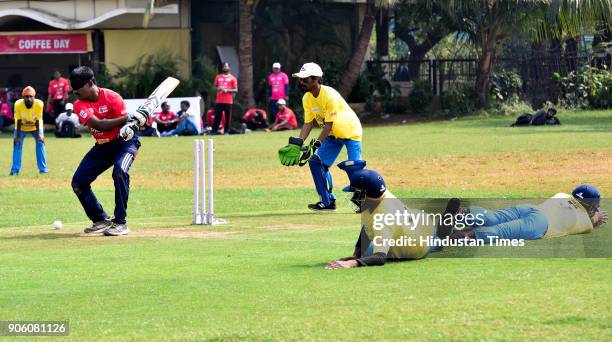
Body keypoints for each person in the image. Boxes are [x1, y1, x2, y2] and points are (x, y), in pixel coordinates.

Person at [70, 66, 151, 236]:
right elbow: (98, 125)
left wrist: (138, 122)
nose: (75, 91)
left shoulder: (112, 97)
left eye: (78, 87)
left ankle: (121, 223)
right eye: (73, 87)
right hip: (102, 146)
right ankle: (100, 219)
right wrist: (129, 117)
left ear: (90, 82)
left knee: (120, 171)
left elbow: (131, 126)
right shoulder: (79, 104)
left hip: (125, 143)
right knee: (79, 181)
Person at [278, 62, 363, 211]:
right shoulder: (307, 98)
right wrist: (298, 143)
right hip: (331, 135)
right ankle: (328, 201)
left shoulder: (329, 95)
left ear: (316, 79)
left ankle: (362, 201)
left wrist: (315, 145)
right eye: (300, 79)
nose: (301, 82)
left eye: (305, 79)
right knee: (316, 163)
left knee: (354, 168)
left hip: (350, 131)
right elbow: (308, 124)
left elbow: (328, 124)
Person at [325, 161, 440, 269]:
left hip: (420, 244)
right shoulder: (376, 197)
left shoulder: (384, 217)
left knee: (371, 254)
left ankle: (448, 235)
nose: (354, 198)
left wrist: (351, 263)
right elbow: (367, 225)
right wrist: (356, 255)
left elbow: (380, 257)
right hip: (418, 223)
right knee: (365, 253)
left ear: (367, 195)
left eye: (357, 194)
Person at [449, 184, 607, 242]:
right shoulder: (581, 221)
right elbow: (592, 221)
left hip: (530, 208)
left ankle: (461, 212)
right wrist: (596, 218)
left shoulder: (562, 195)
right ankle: (456, 237)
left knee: (492, 217)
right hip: (540, 224)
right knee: (499, 232)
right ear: (588, 205)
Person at [10, 86, 47, 175]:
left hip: (35, 127)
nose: (29, 99)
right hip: (21, 127)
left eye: (31, 96)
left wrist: (39, 136)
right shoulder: (18, 104)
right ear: (23, 97)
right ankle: (15, 170)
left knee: (40, 143)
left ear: (34, 97)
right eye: (26, 96)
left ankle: (43, 170)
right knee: (17, 144)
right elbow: (18, 120)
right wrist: (17, 137)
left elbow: (38, 120)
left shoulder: (39, 104)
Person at [211, 62, 238, 135]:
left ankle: (226, 131)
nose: (225, 68)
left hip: (228, 101)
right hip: (219, 100)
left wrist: (227, 90)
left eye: (226, 66)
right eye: (224, 66)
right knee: (217, 116)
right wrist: (218, 88)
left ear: (229, 68)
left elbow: (236, 90)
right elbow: (214, 87)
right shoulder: (218, 77)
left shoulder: (233, 78)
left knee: (227, 117)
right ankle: (214, 131)